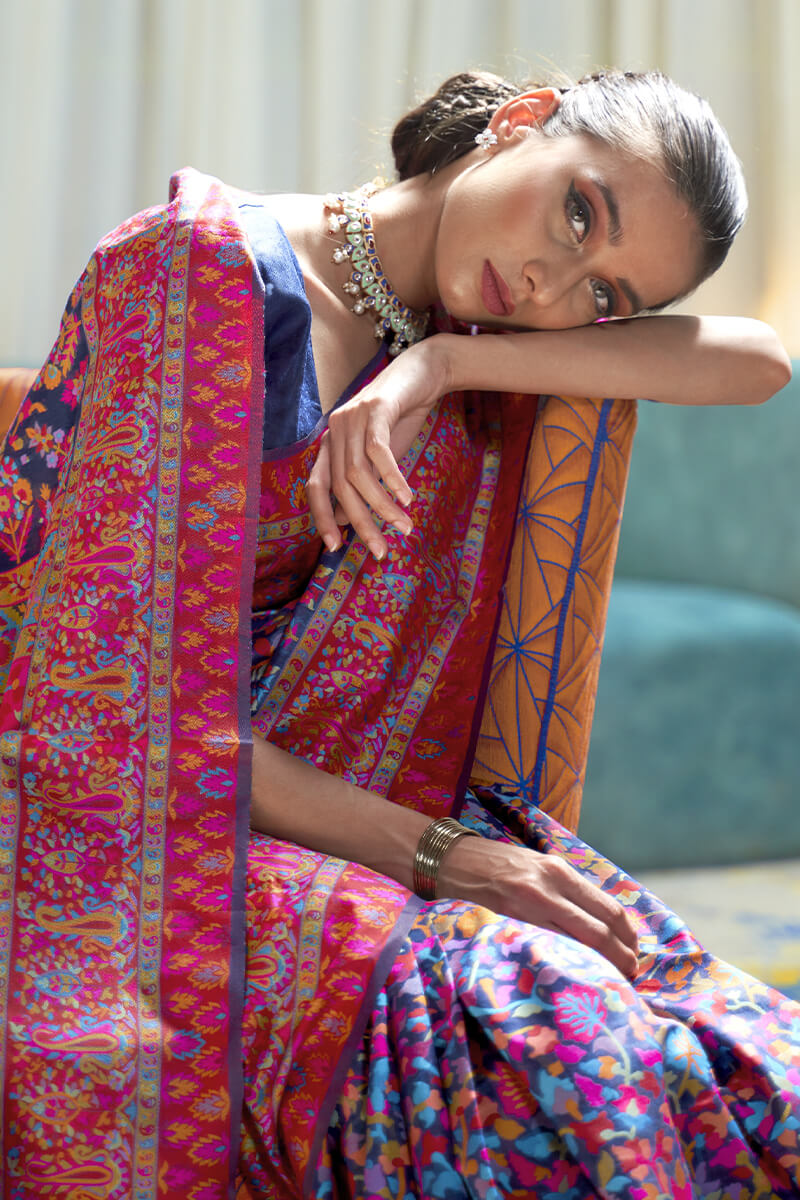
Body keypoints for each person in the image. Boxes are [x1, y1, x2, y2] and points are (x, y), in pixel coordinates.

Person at [0, 66, 797, 1200]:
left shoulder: (464, 342)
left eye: (603, 297)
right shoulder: (200, 271)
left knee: (741, 1069)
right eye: (579, 213)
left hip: (349, 809)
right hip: (126, 824)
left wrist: (447, 361)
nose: (550, 282)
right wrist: (448, 859)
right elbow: (111, 710)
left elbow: (758, 360)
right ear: (520, 122)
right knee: (548, 1025)